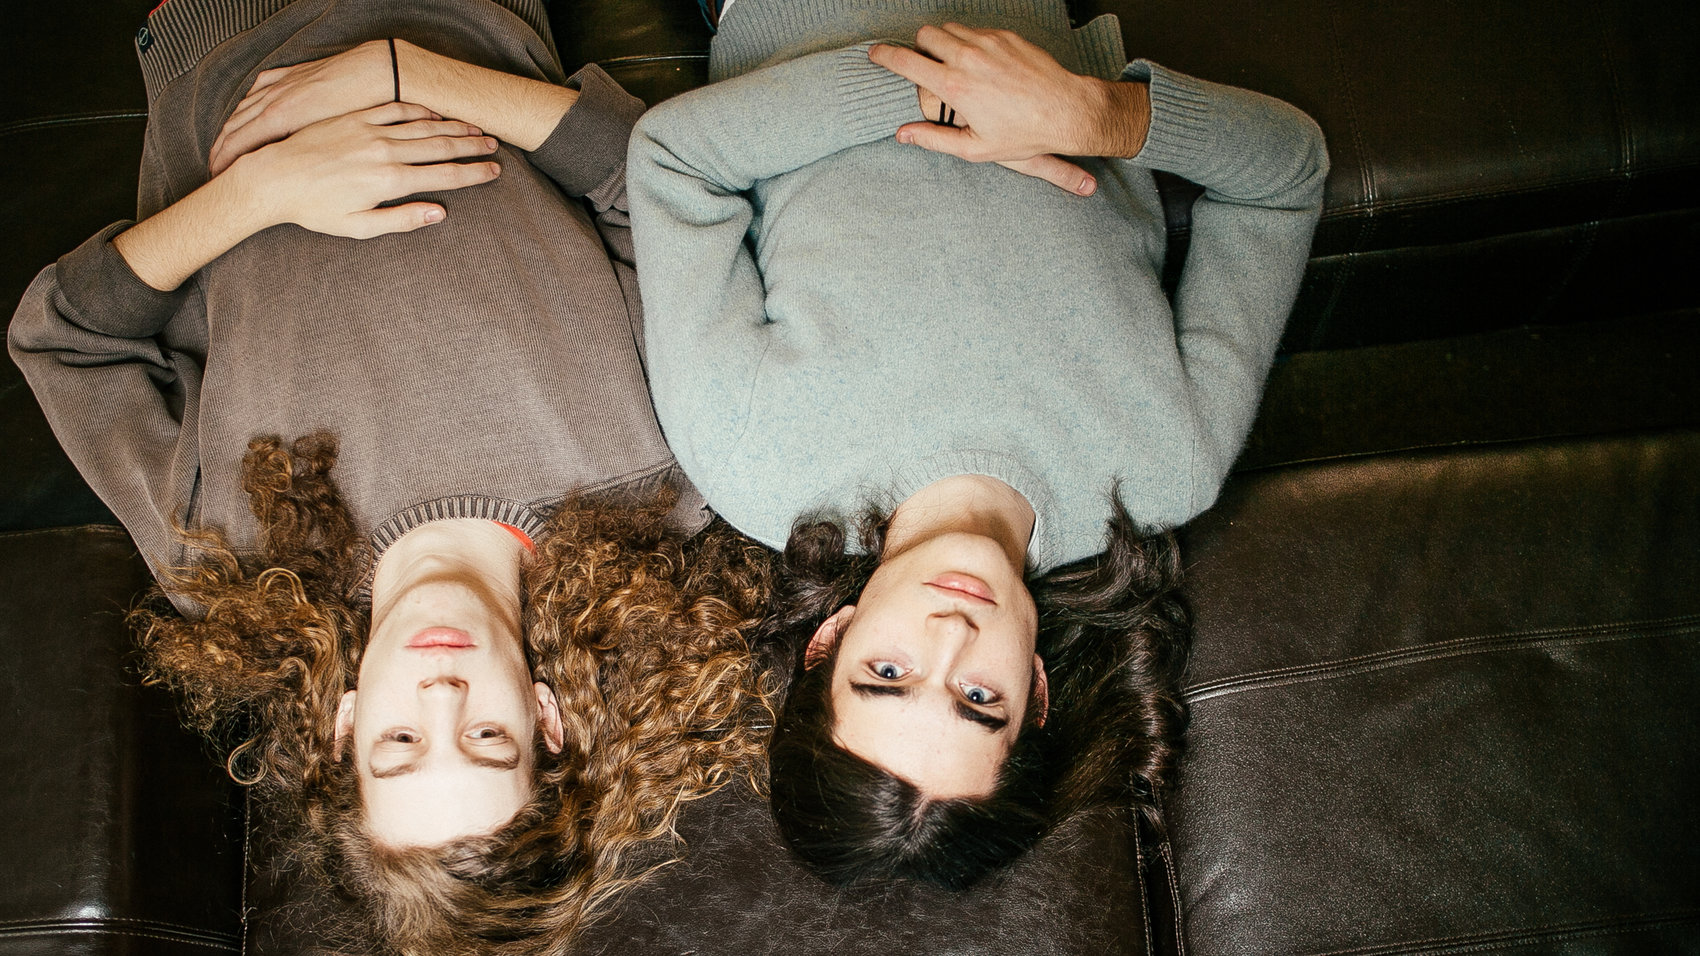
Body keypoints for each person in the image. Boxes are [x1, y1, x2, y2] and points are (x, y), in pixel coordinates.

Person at [8, 0, 773, 950]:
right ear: (547, 720)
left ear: (342, 731)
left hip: (224, 38)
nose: (441, 694)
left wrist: (258, 191)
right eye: (488, 740)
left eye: (400, 744)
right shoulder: (662, 481)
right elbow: (655, 179)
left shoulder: (231, 566)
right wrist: (404, 69)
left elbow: (62, 337)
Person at [626, 0, 1327, 887]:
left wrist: (937, 93)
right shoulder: (1167, 462)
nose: (952, 636)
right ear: (1037, 692)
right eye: (980, 698)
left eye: (888, 672)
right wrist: (1095, 116)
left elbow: (672, 159)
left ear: (830, 639)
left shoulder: (754, 462)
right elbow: (1286, 174)